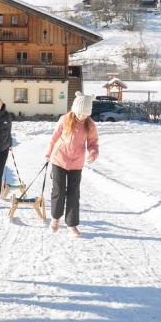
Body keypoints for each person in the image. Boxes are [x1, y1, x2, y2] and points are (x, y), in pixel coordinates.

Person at [45, 91, 99, 237]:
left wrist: (93, 152)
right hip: (59, 159)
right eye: (79, 113)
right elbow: (54, 137)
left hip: (76, 163)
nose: (82, 116)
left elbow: (93, 142)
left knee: (74, 194)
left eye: (85, 114)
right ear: (75, 109)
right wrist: (48, 154)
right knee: (58, 190)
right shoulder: (65, 119)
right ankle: (55, 218)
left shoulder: (90, 124)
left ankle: (72, 224)